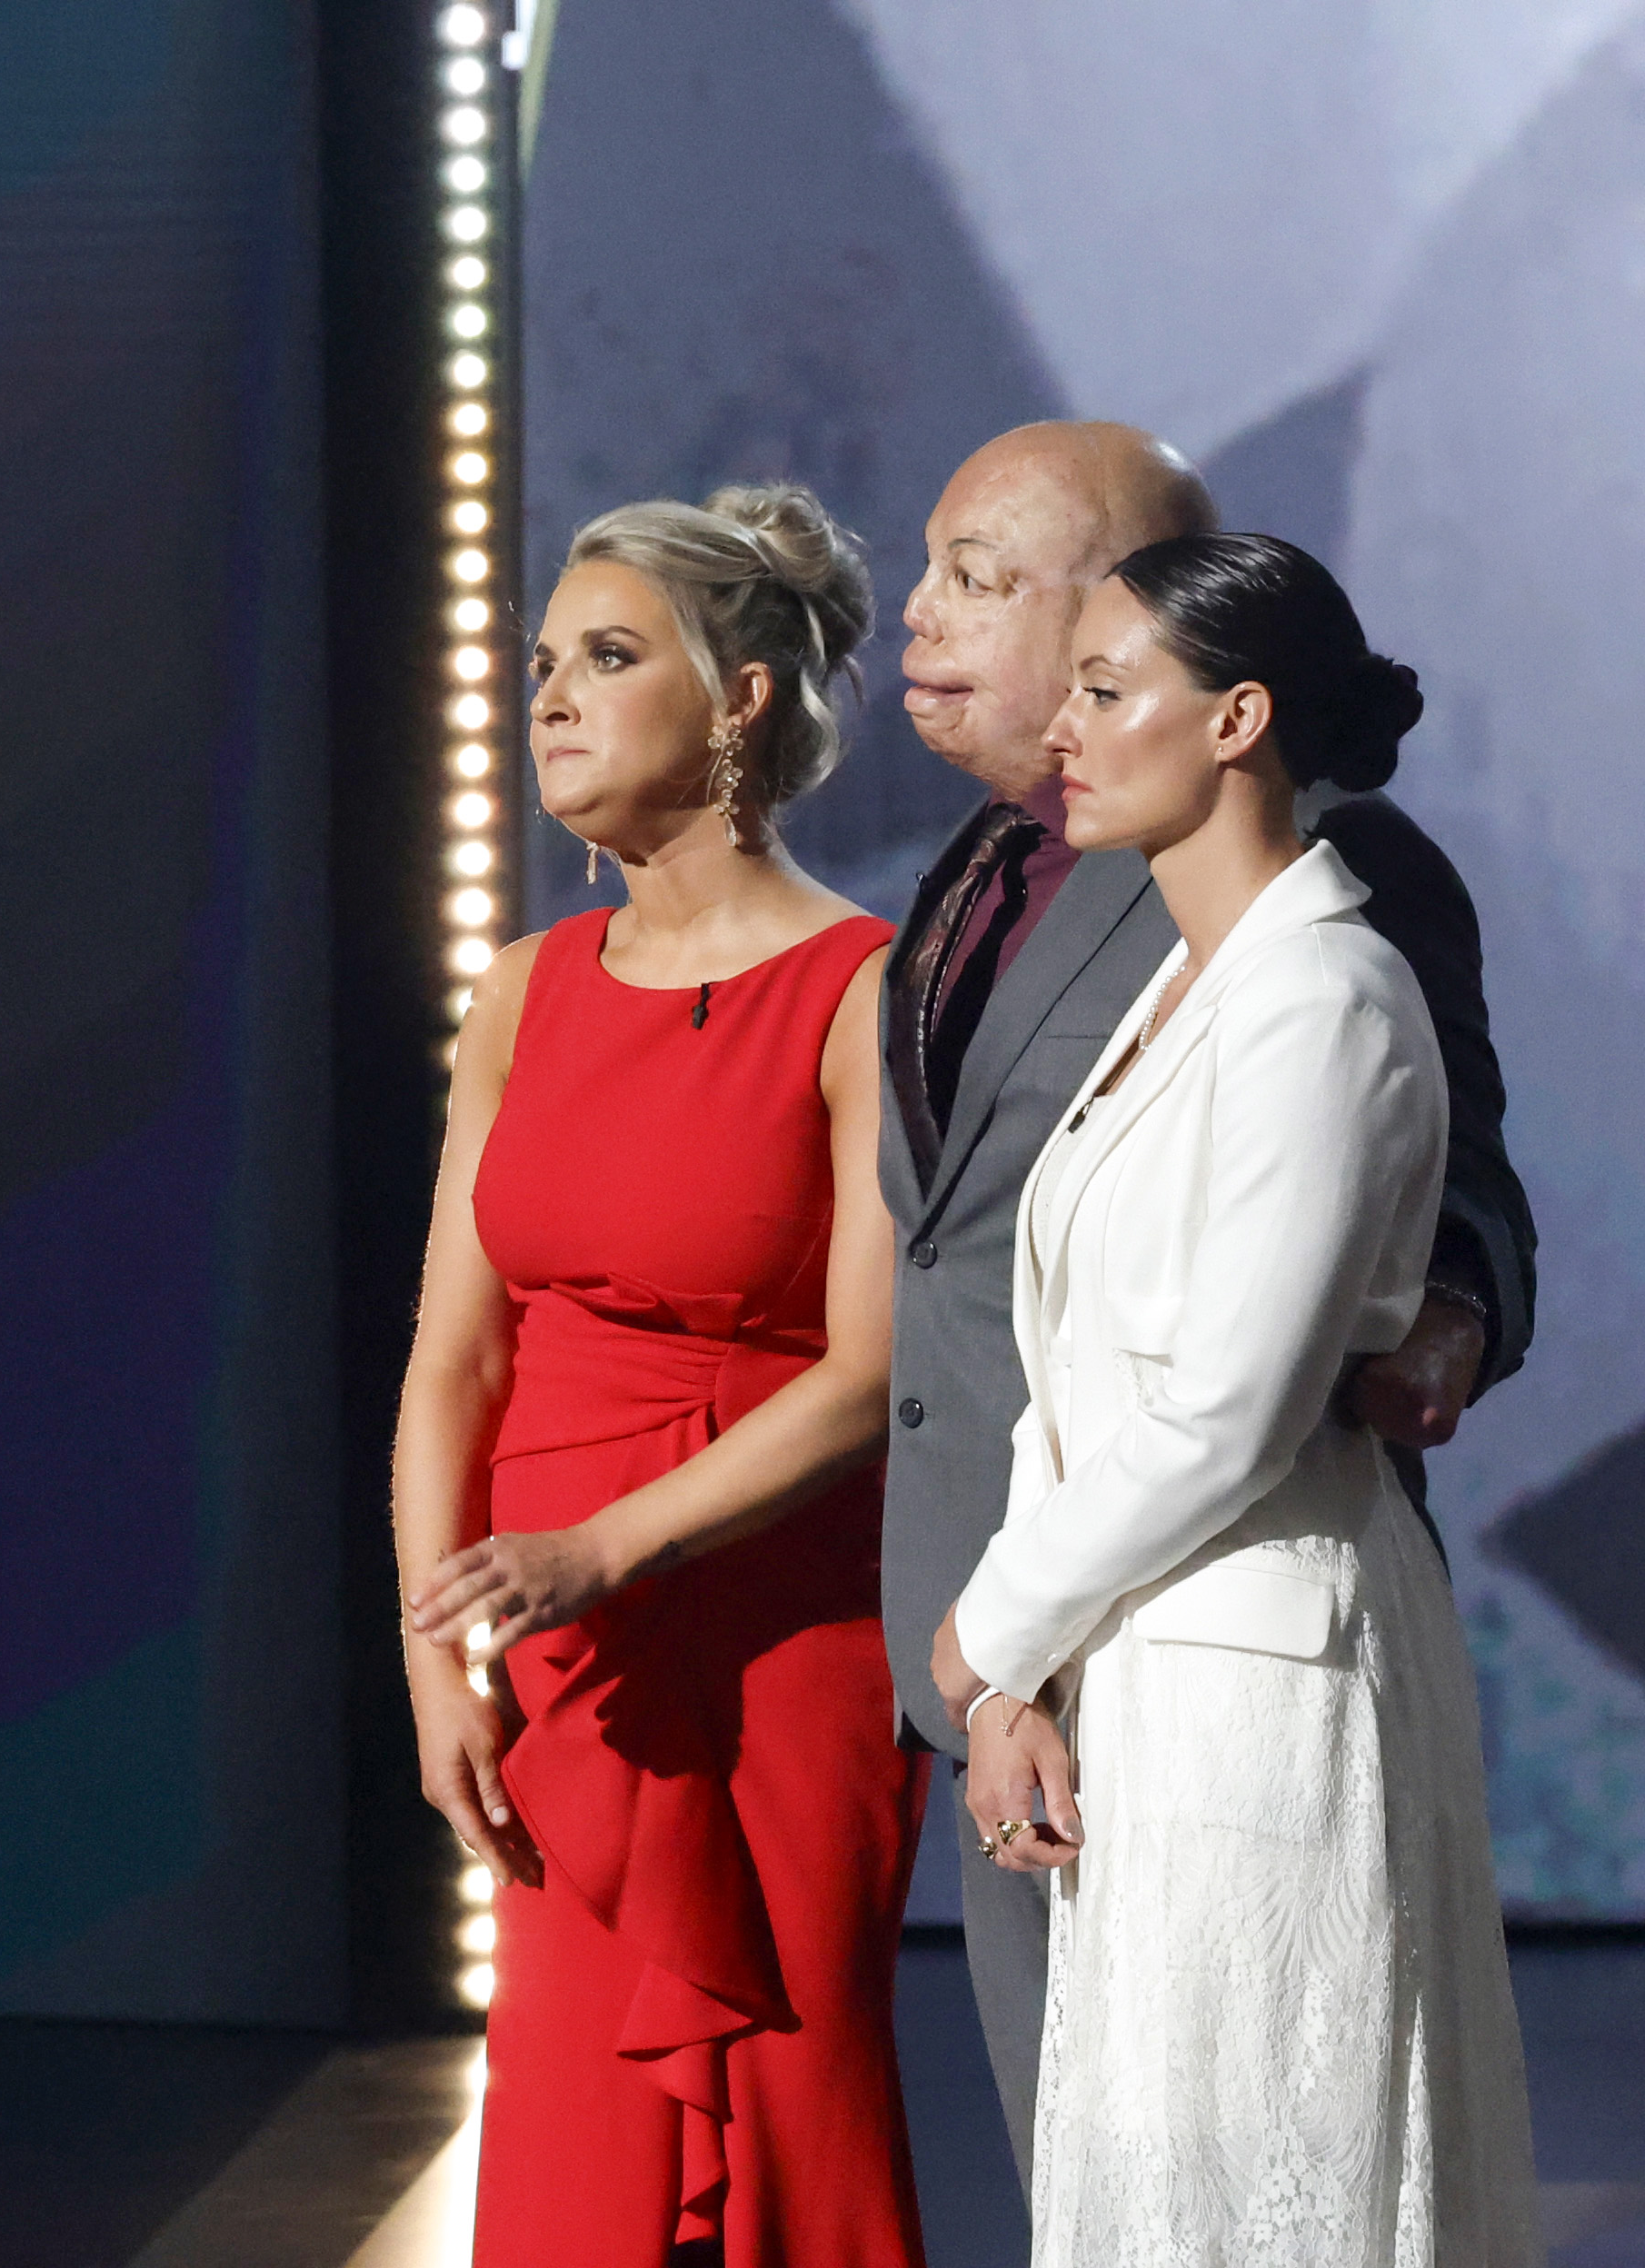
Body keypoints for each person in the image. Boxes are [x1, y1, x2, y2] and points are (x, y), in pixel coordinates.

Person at [877, 423, 1534, 2188]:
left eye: (983, 580)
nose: (919, 616)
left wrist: (1447, 1311)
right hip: (1025, 1640)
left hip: (1201, 1619)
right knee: (1106, 2168)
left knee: (1265, 2162)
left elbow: (1428, 1190)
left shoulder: (1330, 917)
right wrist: (989, 1648)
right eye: (930, 565)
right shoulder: (975, 877)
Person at [400, 484, 931, 2266]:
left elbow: (869, 1374)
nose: (547, 695)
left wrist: (603, 1551)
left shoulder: (864, 987)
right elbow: (454, 1362)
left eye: (607, 657)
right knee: (573, 2128)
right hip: (565, 1663)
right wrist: (435, 1665)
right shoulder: (520, 994)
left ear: (741, 701)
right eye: (543, 662)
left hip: (779, 1634)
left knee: (792, 2097)